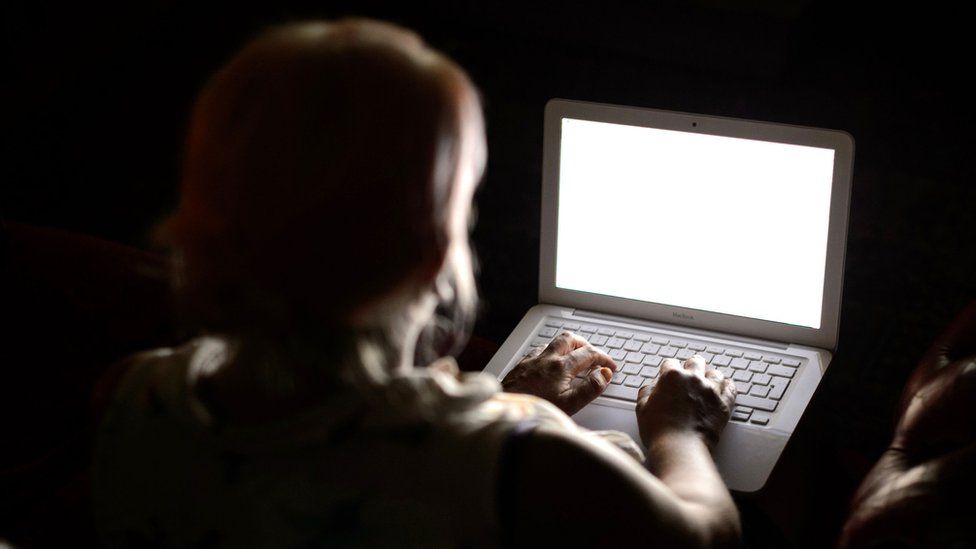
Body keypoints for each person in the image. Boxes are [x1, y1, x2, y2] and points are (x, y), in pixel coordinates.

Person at [92, 18, 741, 547]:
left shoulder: (131, 398)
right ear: (435, 251)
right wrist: (678, 433)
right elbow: (707, 536)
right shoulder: (519, 463)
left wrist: (504, 399)